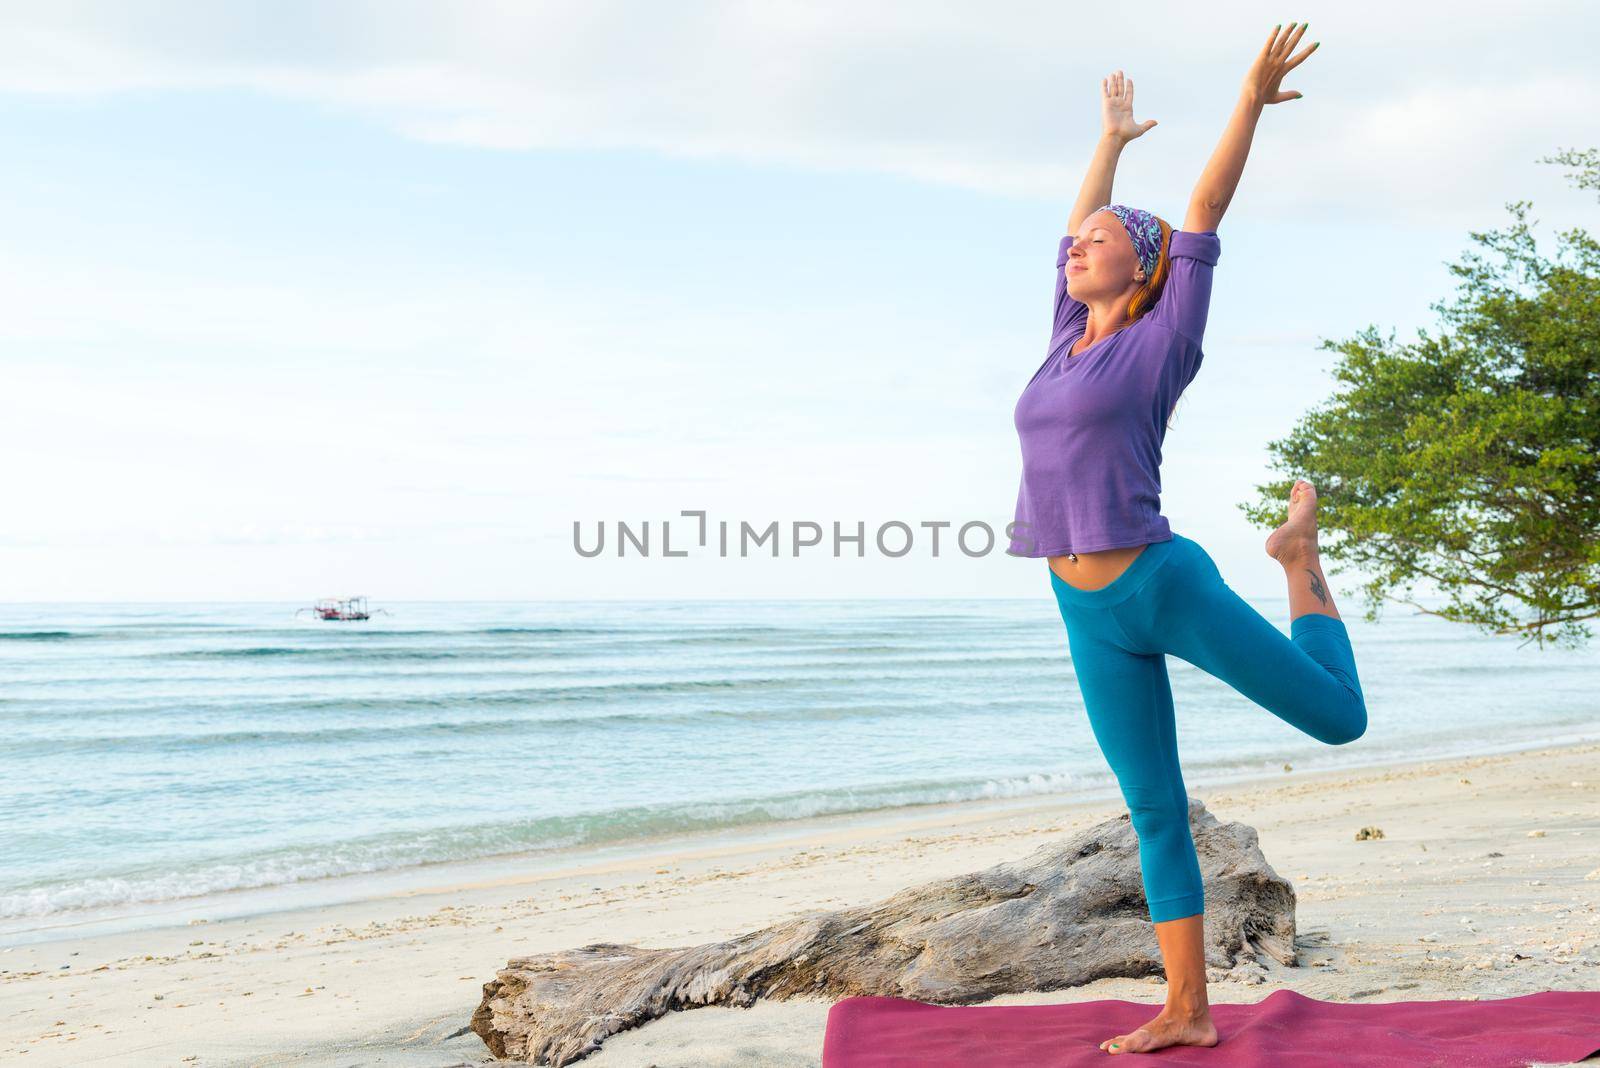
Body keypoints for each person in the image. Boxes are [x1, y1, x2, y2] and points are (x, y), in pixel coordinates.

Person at [1007, 24, 1364, 1056]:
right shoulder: (1063, 340)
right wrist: (1111, 141)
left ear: (1147, 265)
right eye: (1076, 237)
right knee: (1151, 807)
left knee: (1336, 722)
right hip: (1079, 603)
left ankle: (1301, 566)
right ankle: (1187, 1010)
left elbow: (1202, 211)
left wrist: (1247, 98)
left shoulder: (1166, 337)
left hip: (1161, 583)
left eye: (1101, 237)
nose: (1077, 243)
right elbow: (1073, 223)